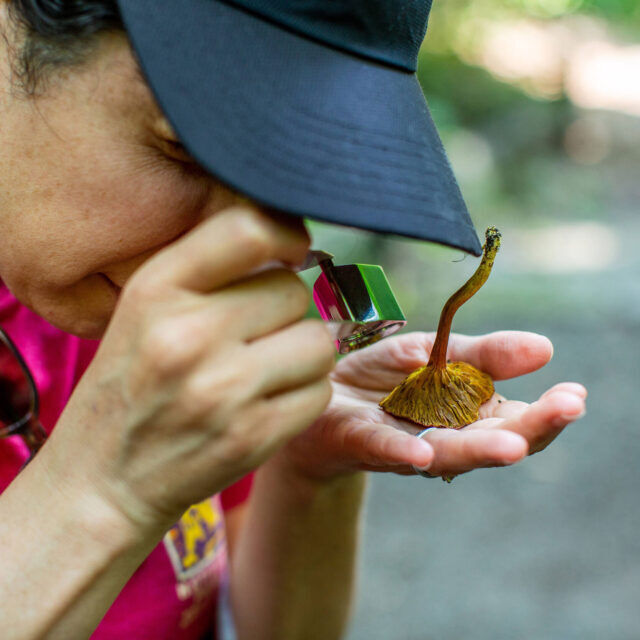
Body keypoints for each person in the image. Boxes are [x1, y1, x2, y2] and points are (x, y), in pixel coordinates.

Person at [0, 1, 587, 639]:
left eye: (283, 173)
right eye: (185, 148)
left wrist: (306, 470)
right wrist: (106, 489)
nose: (245, 242)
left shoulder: (149, 325)